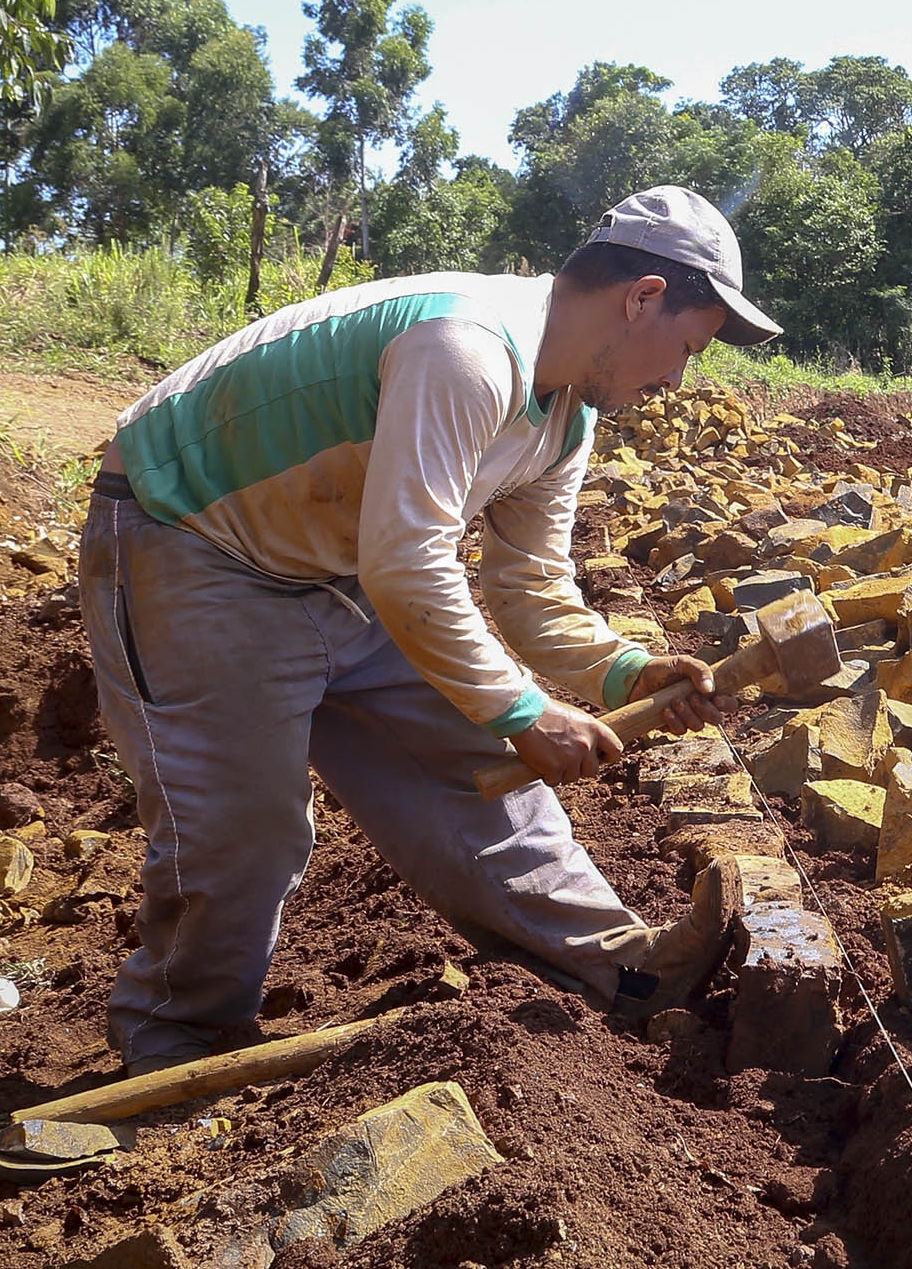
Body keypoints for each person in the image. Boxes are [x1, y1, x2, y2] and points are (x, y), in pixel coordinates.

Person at [80, 185, 781, 1071]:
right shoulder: (467, 348)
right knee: (243, 822)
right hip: (191, 539)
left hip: (340, 565)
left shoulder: (568, 416)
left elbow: (527, 583)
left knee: (462, 756)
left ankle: (625, 972)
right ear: (642, 296)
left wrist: (622, 670)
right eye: (686, 347)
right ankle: (178, 1037)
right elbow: (409, 563)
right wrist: (526, 713)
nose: (679, 378)